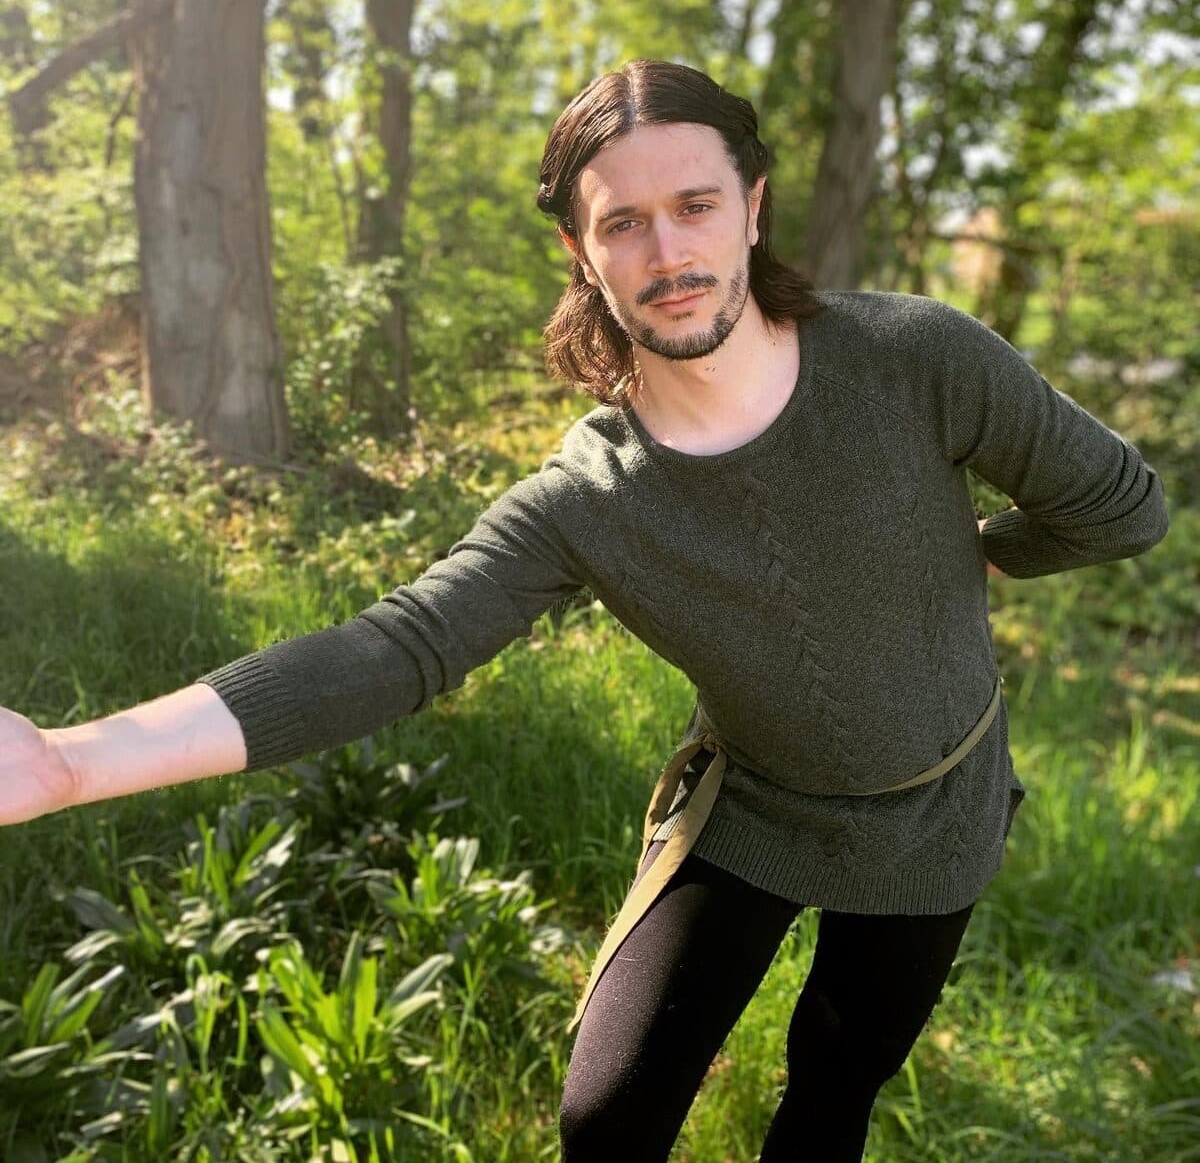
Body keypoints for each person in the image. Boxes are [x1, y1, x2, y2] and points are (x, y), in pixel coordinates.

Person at [0, 59, 1170, 1161]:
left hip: (937, 811)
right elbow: (397, 647)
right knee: (606, 1118)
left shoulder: (923, 361)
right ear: (580, 250)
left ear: (753, 207)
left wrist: (976, 556)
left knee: (831, 1090)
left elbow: (1120, 509)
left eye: (696, 204)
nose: (669, 251)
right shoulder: (589, 497)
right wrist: (65, 762)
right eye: (623, 222)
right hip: (752, 804)